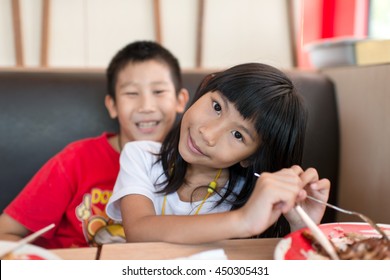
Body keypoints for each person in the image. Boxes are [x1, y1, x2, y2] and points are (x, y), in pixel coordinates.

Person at [106, 62, 331, 243]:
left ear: (251, 157)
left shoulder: (256, 196)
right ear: (205, 87)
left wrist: (303, 228)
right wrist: (243, 220)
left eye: (238, 135)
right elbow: (138, 231)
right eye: (216, 107)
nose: (208, 134)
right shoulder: (141, 156)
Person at [0, 41, 189, 248]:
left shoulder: (194, 162)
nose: (146, 106)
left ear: (180, 100)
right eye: (132, 93)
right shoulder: (76, 160)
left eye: (159, 91)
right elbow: (6, 232)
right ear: (112, 105)